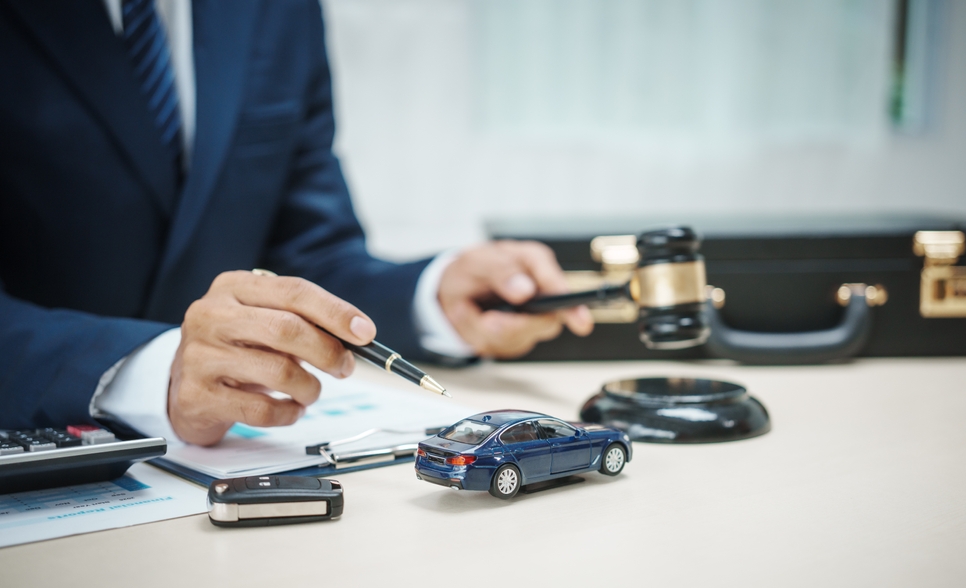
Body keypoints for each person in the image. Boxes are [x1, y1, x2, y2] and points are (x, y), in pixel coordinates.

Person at [0, 0, 592, 445]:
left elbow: (303, 259)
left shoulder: (277, 9)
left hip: (222, 475)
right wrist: (154, 370)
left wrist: (431, 295)